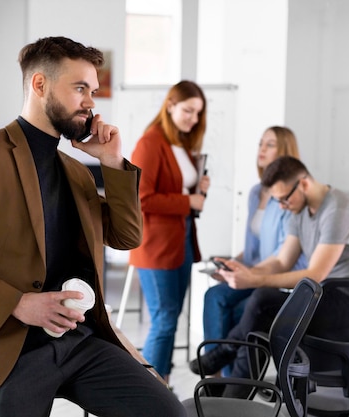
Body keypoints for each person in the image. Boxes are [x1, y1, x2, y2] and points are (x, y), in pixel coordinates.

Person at [0, 36, 185, 417]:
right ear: (40, 85)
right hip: (2, 348)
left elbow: (126, 237)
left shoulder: (75, 172)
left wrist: (113, 162)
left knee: (167, 412)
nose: (91, 101)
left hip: (76, 341)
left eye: (92, 90)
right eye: (80, 88)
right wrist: (18, 304)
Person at [193, 156, 349, 397]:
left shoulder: (338, 210)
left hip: (348, 304)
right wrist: (243, 270)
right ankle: (233, 393)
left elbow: (315, 275)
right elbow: (281, 261)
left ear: (304, 184)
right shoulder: (299, 210)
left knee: (262, 301)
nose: (281, 206)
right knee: (258, 317)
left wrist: (254, 280)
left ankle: (230, 381)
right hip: (322, 298)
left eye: (283, 199)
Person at [198, 126, 307, 376]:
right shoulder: (256, 192)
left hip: (275, 279)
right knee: (214, 297)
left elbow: (283, 257)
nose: (261, 150)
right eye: (260, 144)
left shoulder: (289, 195)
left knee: (238, 311)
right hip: (253, 272)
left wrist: (244, 272)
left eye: (270, 145)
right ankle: (215, 377)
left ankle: (233, 382)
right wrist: (230, 263)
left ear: (285, 152)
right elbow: (253, 247)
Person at [128, 80, 210, 384]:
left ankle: (161, 382)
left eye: (198, 113)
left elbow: (177, 191)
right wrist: (188, 199)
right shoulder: (150, 143)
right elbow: (141, 197)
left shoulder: (182, 144)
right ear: (171, 105)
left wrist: (196, 189)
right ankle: (148, 390)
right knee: (164, 320)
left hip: (182, 239)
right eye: (188, 110)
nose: (193, 118)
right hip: (156, 245)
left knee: (171, 317)